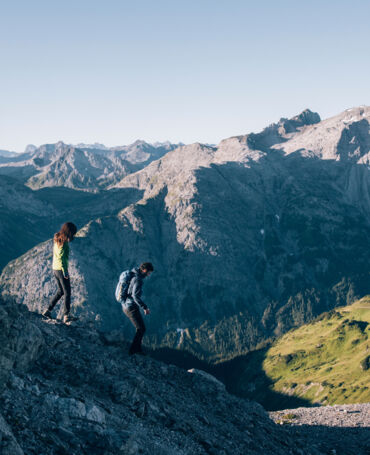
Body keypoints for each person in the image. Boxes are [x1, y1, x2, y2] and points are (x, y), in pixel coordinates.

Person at [42, 222, 78, 323]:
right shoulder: (64, 243)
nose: (73, 236)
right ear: (69, 232)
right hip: (61, 271)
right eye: (73, 234)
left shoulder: (57, 239)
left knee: (61, 291)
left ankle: (47, 310)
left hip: (55, 269)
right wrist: (65, 271)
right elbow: (62, 258)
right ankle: (66, 315)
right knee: (67, 292)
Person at [123, 262, 154, 355]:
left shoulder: (134, 274)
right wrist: (145, 307)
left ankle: (137, 349)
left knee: (140, 328)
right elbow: (135, 296)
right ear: (144, 270)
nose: (149, 275)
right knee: (141, 329)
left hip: (127, 305)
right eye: (149, 272)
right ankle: (133, 351)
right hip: (130, 307)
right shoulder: (138, 279)